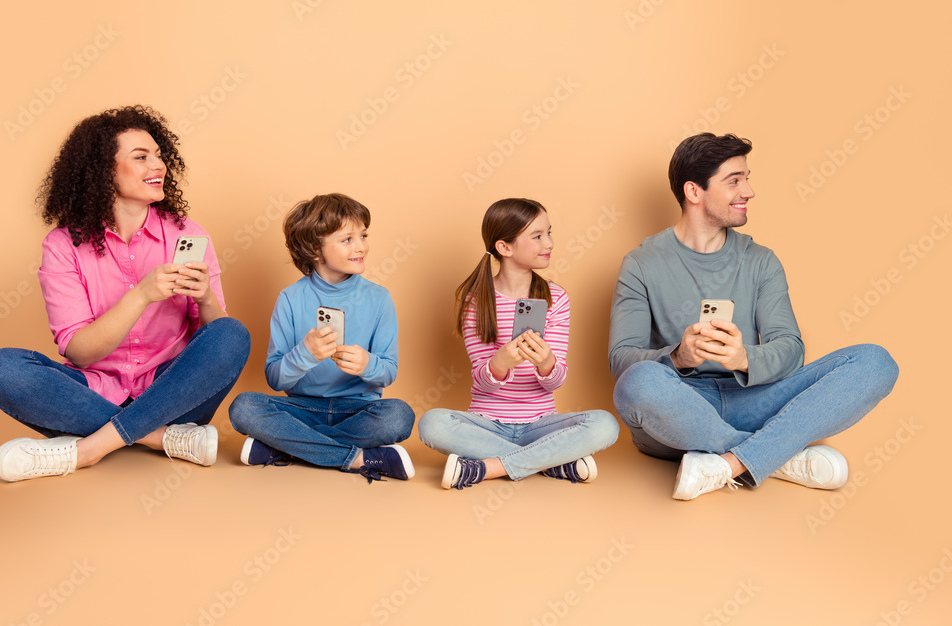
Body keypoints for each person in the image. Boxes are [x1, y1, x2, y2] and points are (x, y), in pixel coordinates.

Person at [610, 132, 898, 500]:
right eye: (734, 181)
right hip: (679, 409)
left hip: (752, 400)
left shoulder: (761, 261)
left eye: (747, 178)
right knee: (638, 383)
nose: (748, 191)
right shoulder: (641, 263)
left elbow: (792, 349)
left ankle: (729, 463)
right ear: (694, 192)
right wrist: (679, 357)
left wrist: (745, 357)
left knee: (875, 362)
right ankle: (773, 456)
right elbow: (622, 360)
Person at [0, 105, 250, 482]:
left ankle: (88, 450)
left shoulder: (188, 233)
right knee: (1, 369)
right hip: (92, 393)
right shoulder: (63, 246)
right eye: (141, 157)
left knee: (232, 333)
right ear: (103, 171)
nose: (158, 165)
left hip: (173, 394)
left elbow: (219, 346)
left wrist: (205, 299)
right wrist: (140, 295)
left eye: (159, 155)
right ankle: (160, 439)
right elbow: (79, 350)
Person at [418, 198, 619, 490]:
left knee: (605, 424)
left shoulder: (556, 298)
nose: (548, 243)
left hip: (541, 426)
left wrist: (546, 363)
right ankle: (551, 462)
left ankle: (486, 468)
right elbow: (481, 382)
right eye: (537, 236)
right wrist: (500, 364)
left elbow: (554, 383)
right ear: (505, 247)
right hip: (485, 424)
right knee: (432, 423)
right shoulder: (476, 301)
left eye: (549, 232)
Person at [228, 193, 415, 483]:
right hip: (302, 409)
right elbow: (275, 379)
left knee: (399, 416)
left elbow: (388, 371)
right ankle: (356, 458)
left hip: (358, 410)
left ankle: (289, 447)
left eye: (363, 235)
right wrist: (306, 354)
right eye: (347, 239)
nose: (361, 246)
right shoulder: (290, 299)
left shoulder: (379, 299)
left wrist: (367, 364)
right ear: (316, 250)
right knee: (243, 407)